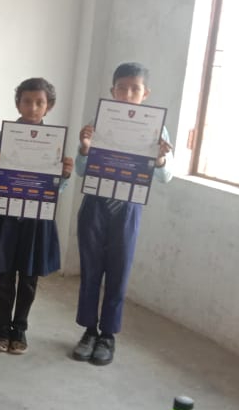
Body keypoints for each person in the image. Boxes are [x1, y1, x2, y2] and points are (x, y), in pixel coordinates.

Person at [71, 62, 173, 366]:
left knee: (119, 271)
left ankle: (108, 335)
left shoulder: (157, 129)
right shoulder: (98, 122)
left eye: (135, 89)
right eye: (122, 88)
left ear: (145, 93)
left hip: (128, 207)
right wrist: (85, 148)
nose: (127, 94)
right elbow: (80, 170)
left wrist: (160, 160)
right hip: (95, 204)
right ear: (112, 90)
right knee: (91, 270)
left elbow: (166, 176)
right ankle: (89, 331)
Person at [0, 78, 73, 354]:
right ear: (18, 104)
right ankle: (3, 328)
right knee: (3, 273)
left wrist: (64, 175)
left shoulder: (55, 141)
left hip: (37, 216)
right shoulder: (3, 137)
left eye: (39, 102)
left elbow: (57, 187)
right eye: (27, 101)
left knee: (29, 275)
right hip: (7, 215)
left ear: (49, 106)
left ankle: (20, 328)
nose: (32, 107)